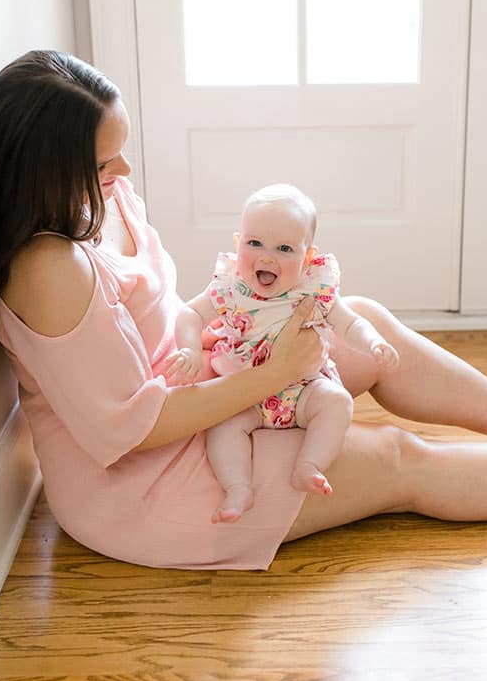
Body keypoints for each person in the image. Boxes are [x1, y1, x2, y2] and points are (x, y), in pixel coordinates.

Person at [0, 50, 487, 571]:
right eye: (102, 158)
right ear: (47, 169)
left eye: (120, 147)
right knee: (396, 459)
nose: (122, 167)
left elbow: (167, 317)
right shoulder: (47, 269)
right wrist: (272, 372)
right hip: (143, 484)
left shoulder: (101, 198)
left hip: (202, 383)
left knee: (364, 320)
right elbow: (129, 430)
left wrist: (250, 321)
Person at [168, 184, 399, 523]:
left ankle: (309, 465)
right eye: (254, 243)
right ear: (238, 242)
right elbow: (190, 314)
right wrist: (189, 349)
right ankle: (237, 488)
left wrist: (374, 342)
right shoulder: (230, 287)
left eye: (285, 248)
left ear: (307, 257)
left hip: (303, 390)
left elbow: (349, 324)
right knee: (221, 428)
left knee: (337, 403)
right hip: (243, 394)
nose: (266, 257)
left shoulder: (314, 288)